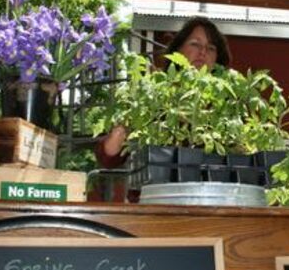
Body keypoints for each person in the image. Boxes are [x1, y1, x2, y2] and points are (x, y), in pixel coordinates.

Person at [96, 16, 232, 167]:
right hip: (158, 186)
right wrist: (118, 135)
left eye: (211, 48)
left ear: (217, 58)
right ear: (177, 50)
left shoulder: (228, 101)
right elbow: (108, 159)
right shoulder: (153, 92)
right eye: (195, 44)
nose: (203, 52)